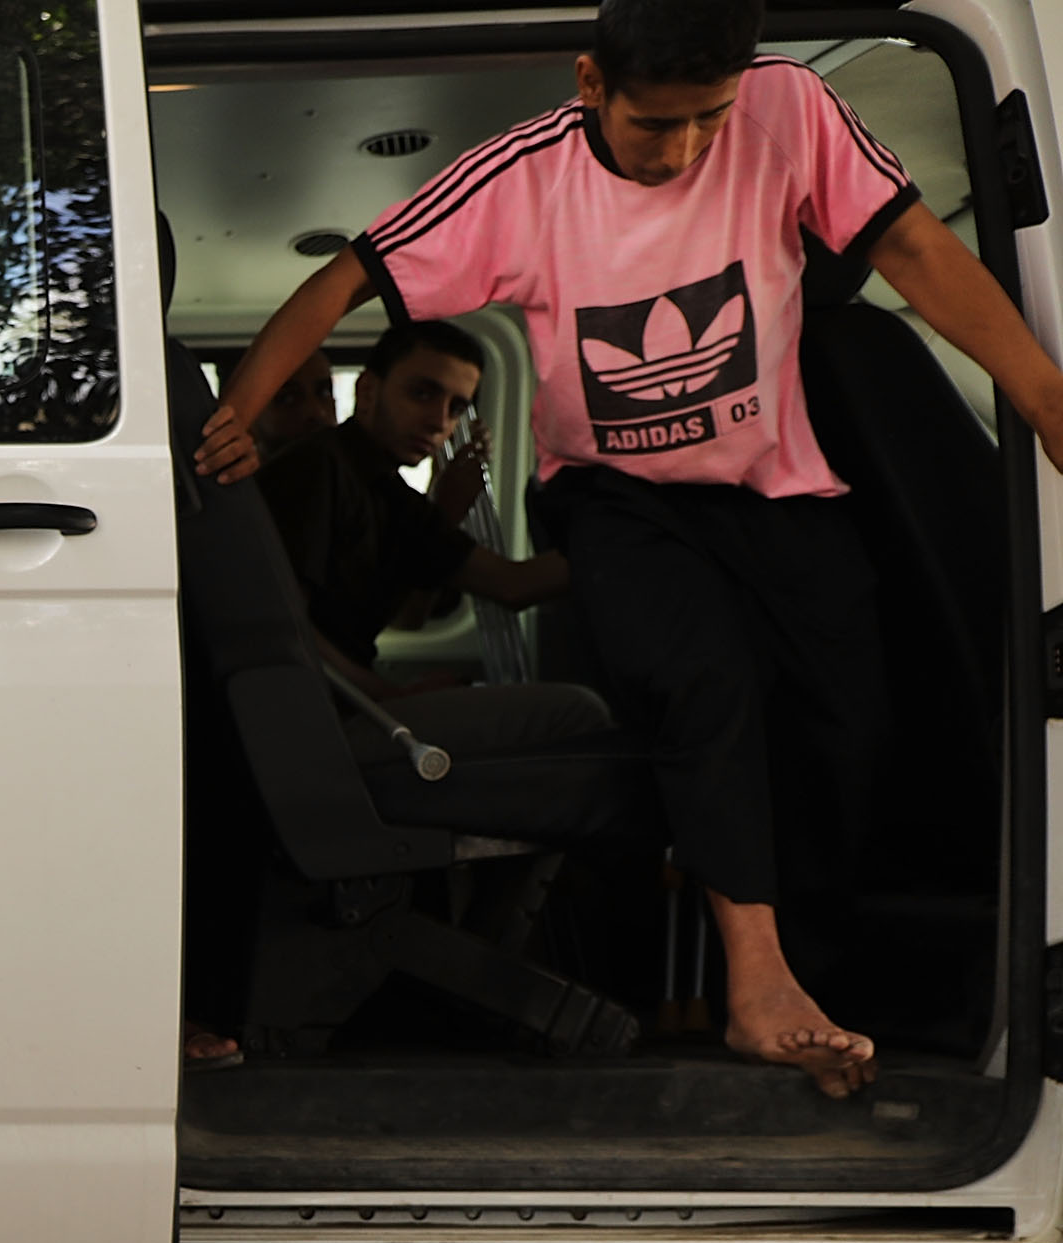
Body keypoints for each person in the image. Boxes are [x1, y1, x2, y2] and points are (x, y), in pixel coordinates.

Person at [193, 0, 1063, 1098]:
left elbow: (912, 243)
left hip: (779, 493)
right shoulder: (522, 179)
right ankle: (753, 986)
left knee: (849, 719)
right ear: (592, 81)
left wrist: (1041, 391)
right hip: (618, 499)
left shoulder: (790, 111)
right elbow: (346, 278)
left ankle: (842, 982)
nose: (688, 149)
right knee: (705, 683)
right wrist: (234, 416)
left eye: (712, 117)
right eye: (660, 124)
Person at [258, 319, 572, 696]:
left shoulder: (393, 493)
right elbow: (280, 625)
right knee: (571, 712)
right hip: (314, 708)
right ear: (368, 391)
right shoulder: (318, 466)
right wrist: (388, 697)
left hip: (348, 700)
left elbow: (493, 590)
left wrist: (446, 510)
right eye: (422, 394)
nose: (439, 422)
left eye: (456, 408)